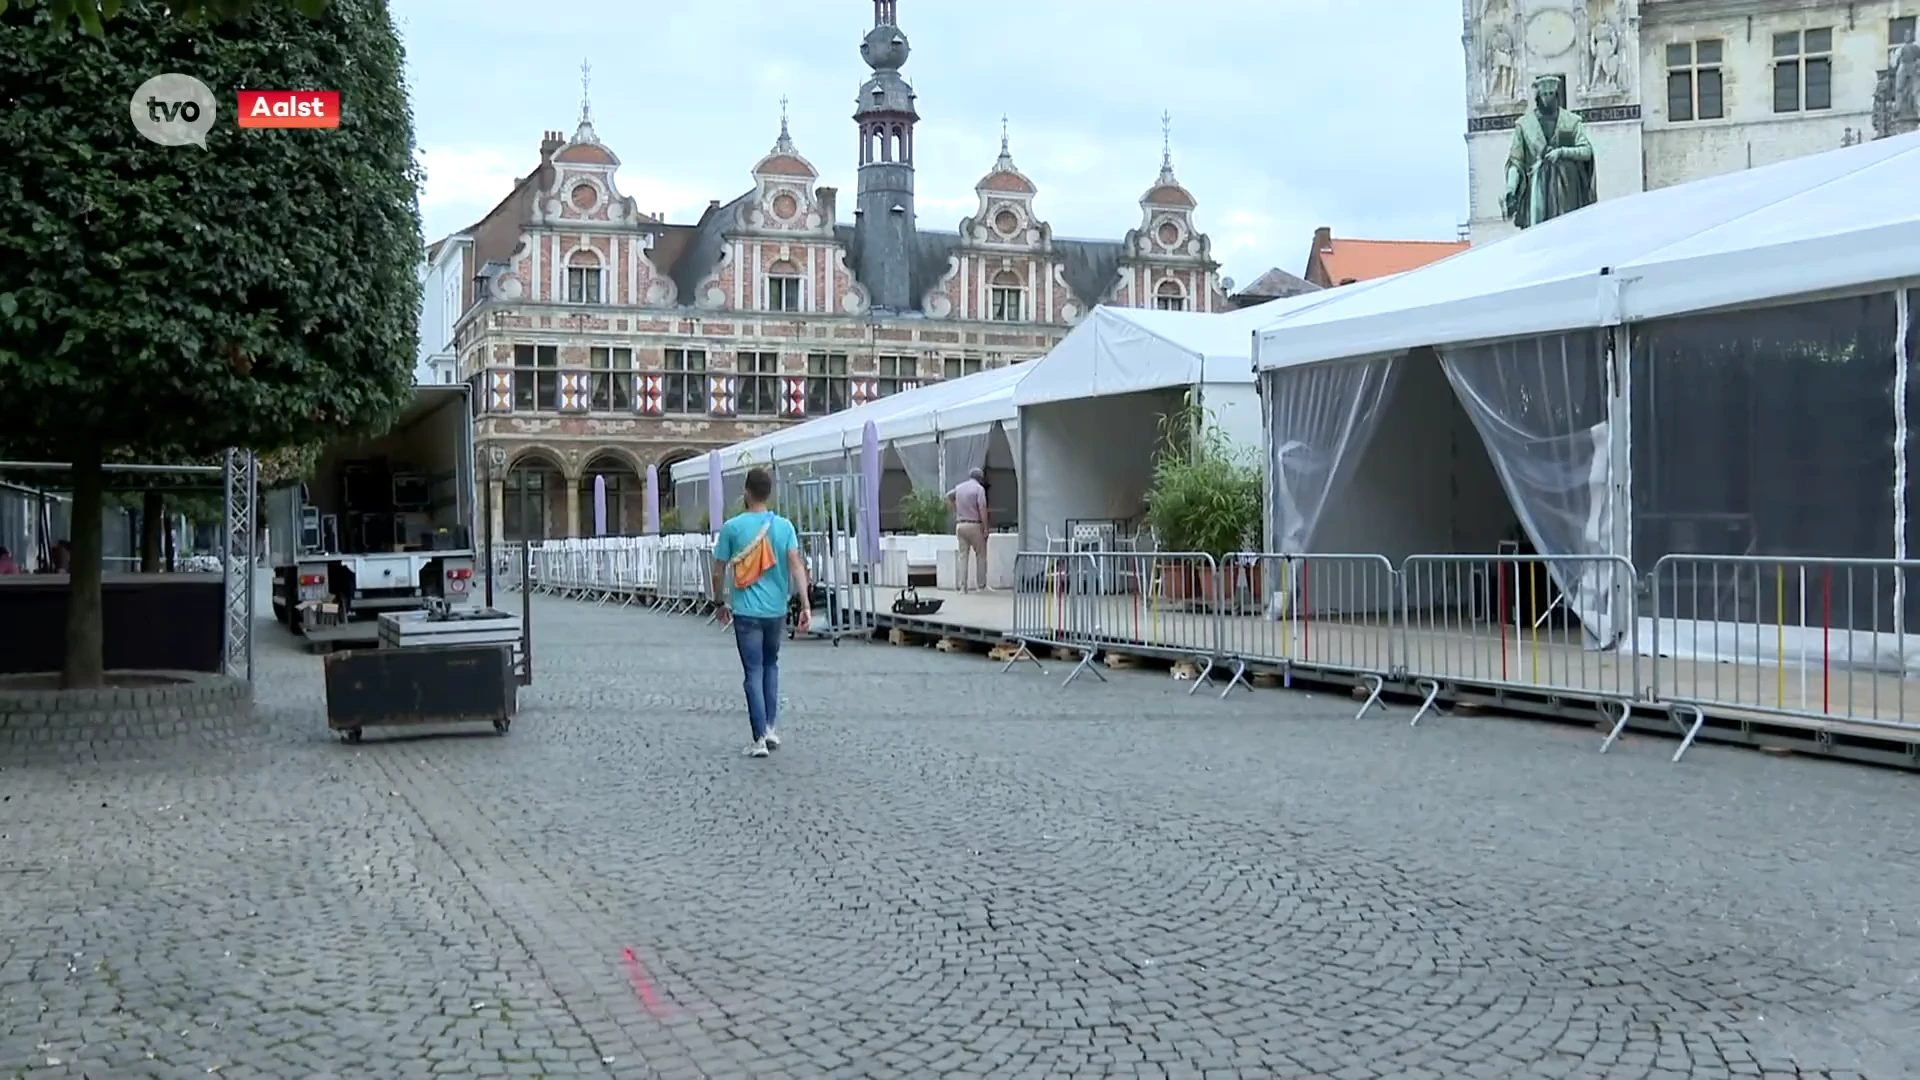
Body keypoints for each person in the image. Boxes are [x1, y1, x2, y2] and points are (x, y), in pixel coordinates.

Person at [712, 467, 810, 759]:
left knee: (752, 671)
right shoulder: (784, 526)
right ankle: (770, 728)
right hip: (776, 611)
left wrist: (718, 601)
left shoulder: (732, 527)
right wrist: (804, 604)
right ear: (769, 494)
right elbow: (796, 566)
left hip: (746, 611)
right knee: (771, 666)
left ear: (746, 492)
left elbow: (718, 570)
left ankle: (758, 740)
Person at [946, 467, 989, 592]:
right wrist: (985, 527)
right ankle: (981, 586)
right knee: (980, 555)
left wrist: (956, 510)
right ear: (980, 478)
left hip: (960, 525)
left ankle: (962, 586)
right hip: (974, 524)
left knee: (963, 556)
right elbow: (982, 508)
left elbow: (948, 496)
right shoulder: (979, 489)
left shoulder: (959, 487)